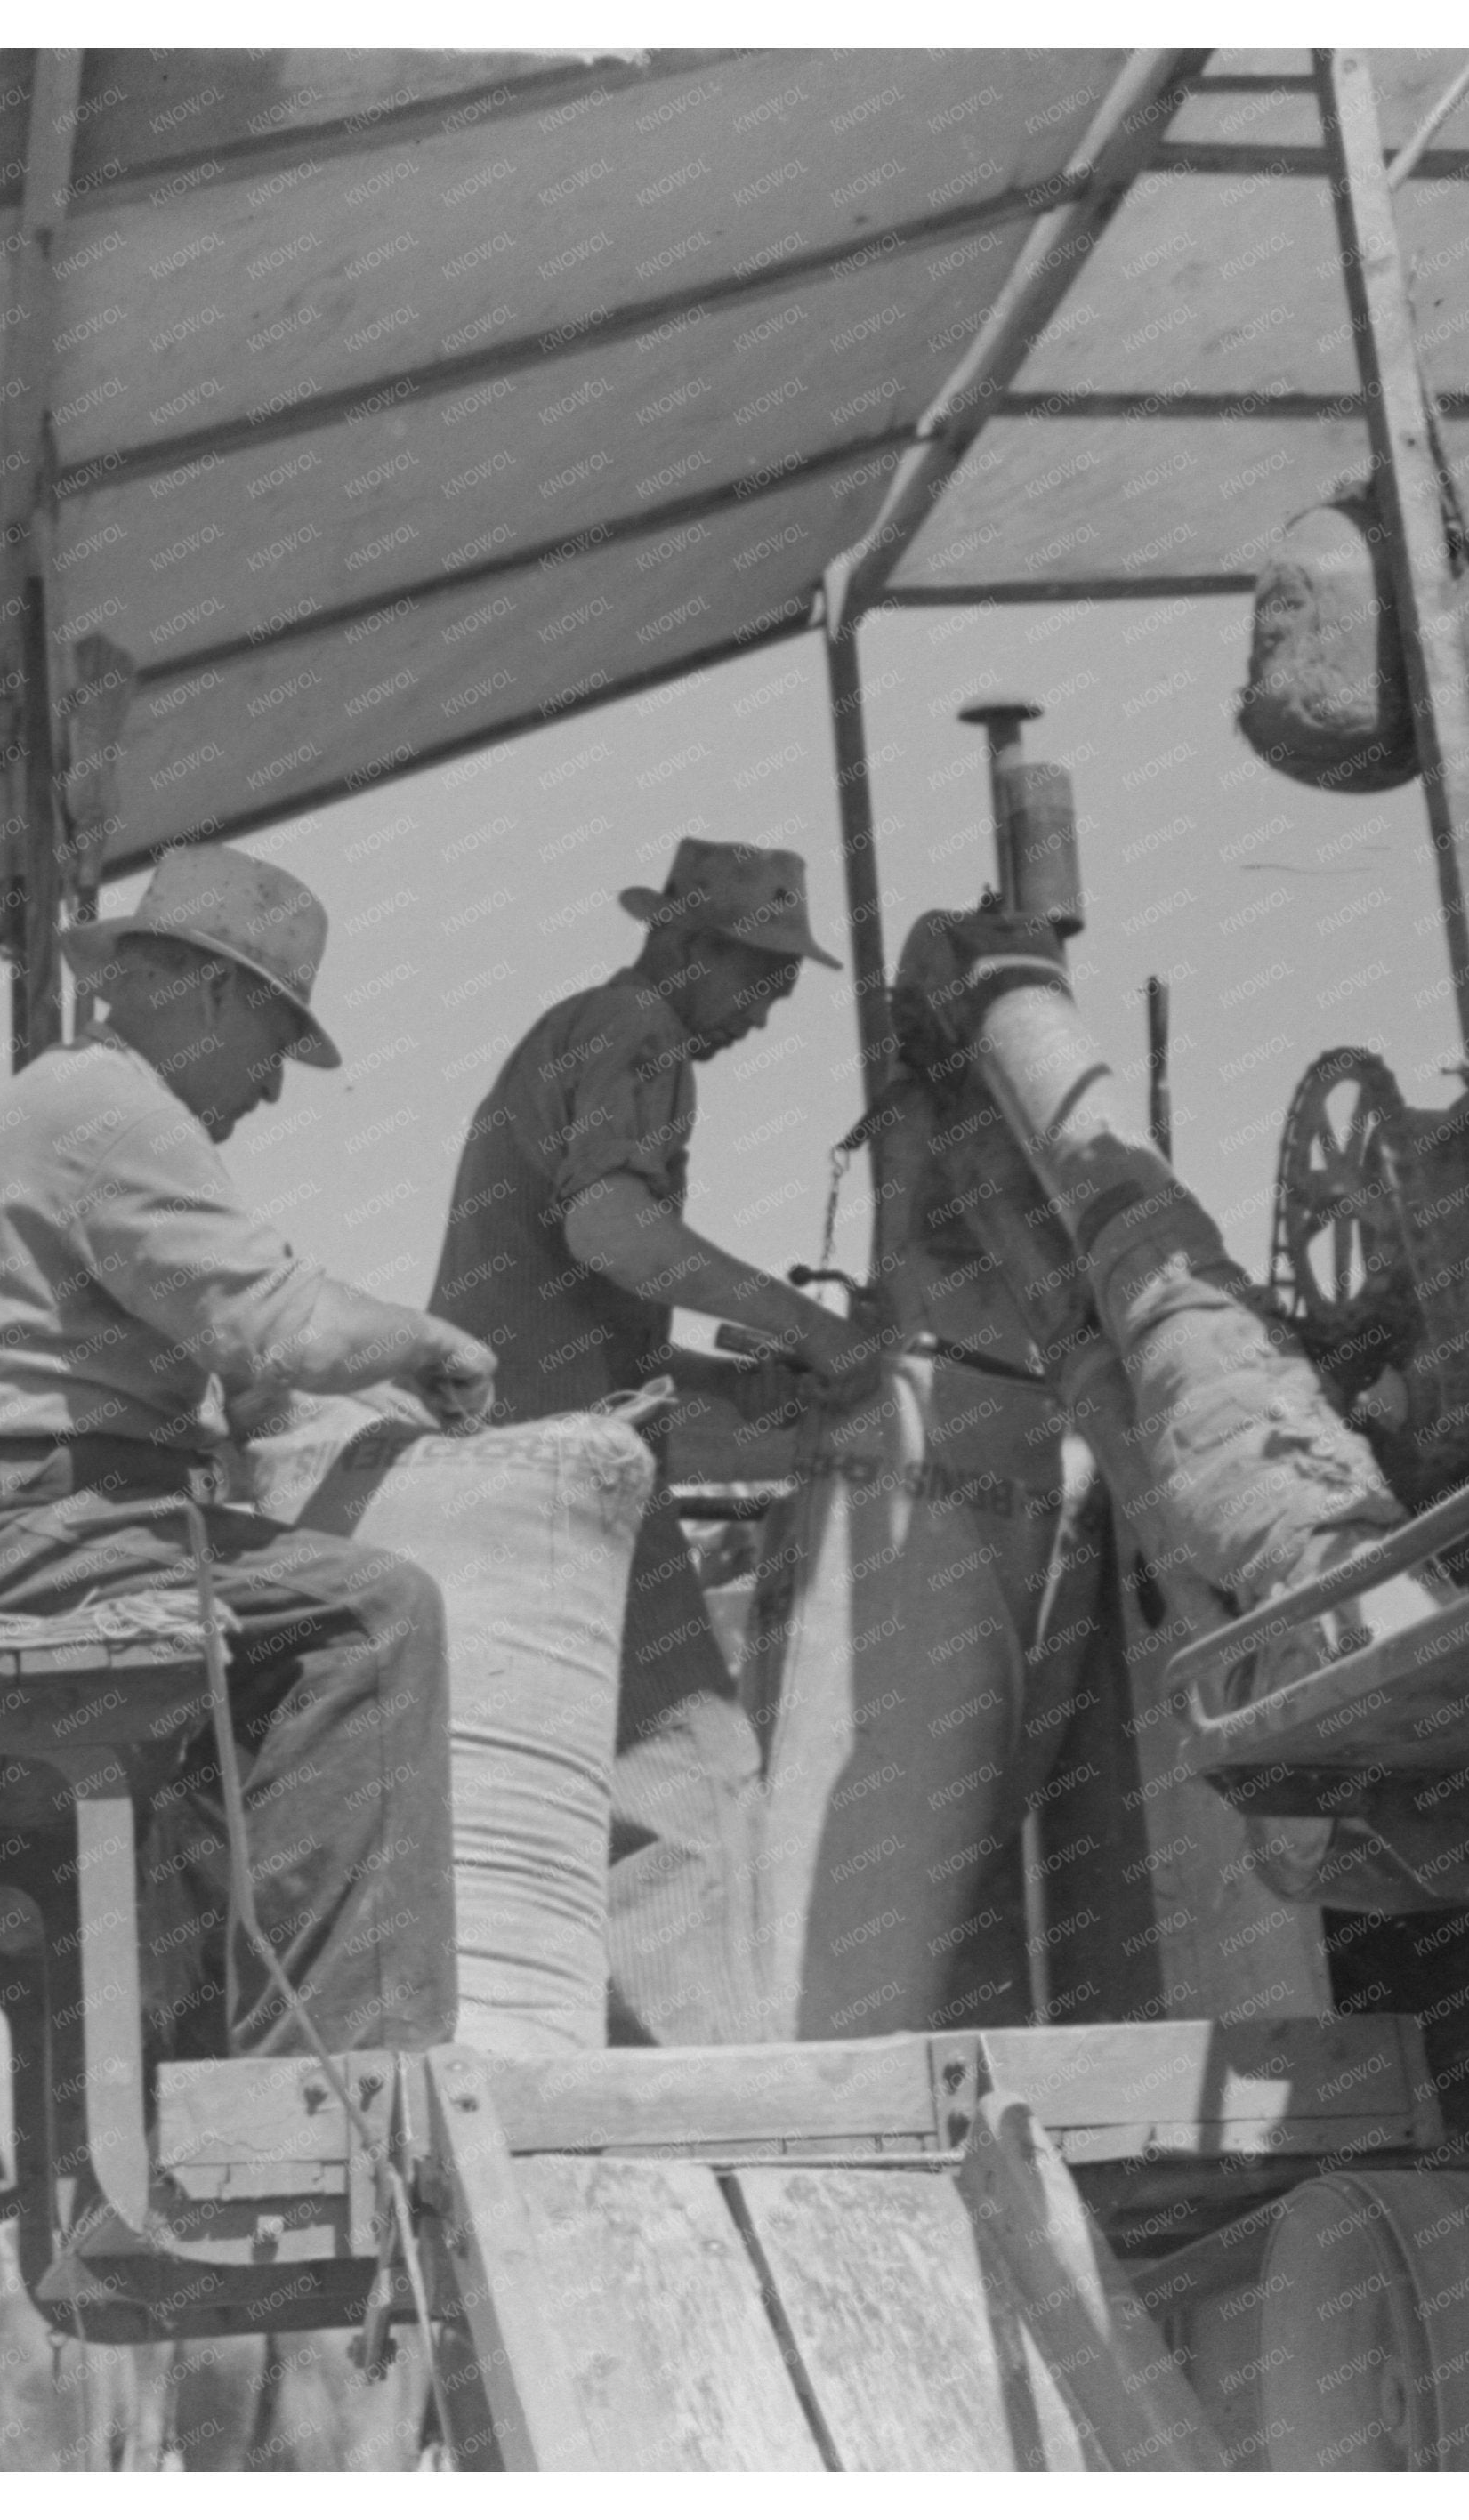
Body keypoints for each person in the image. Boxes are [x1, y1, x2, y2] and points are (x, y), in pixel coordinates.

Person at [0, 842, 496, 2065]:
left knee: (236, 1722)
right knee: (371, 1615)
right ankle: (347, 2070)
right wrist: (427, 1339)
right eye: (276, 1041)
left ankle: (198, 2078)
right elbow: (283, 1322)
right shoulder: (113, 1114)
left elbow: (235, 1355)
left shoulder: (84, 1110)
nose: (277, 1088)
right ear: (217, 993)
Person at [429, 836, 886, 2046]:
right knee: (694, 1772)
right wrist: (802, 1323)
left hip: (516, 1458)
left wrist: (730, 1378)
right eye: (759, 981)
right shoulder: (638, 1033)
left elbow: (564, 1310)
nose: (767, 1013)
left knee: (630, 1790)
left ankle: (655, 2063)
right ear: (689, 948)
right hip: (561, 1480)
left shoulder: (570, 1031)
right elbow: (610, 1228)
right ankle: (715, 2095)